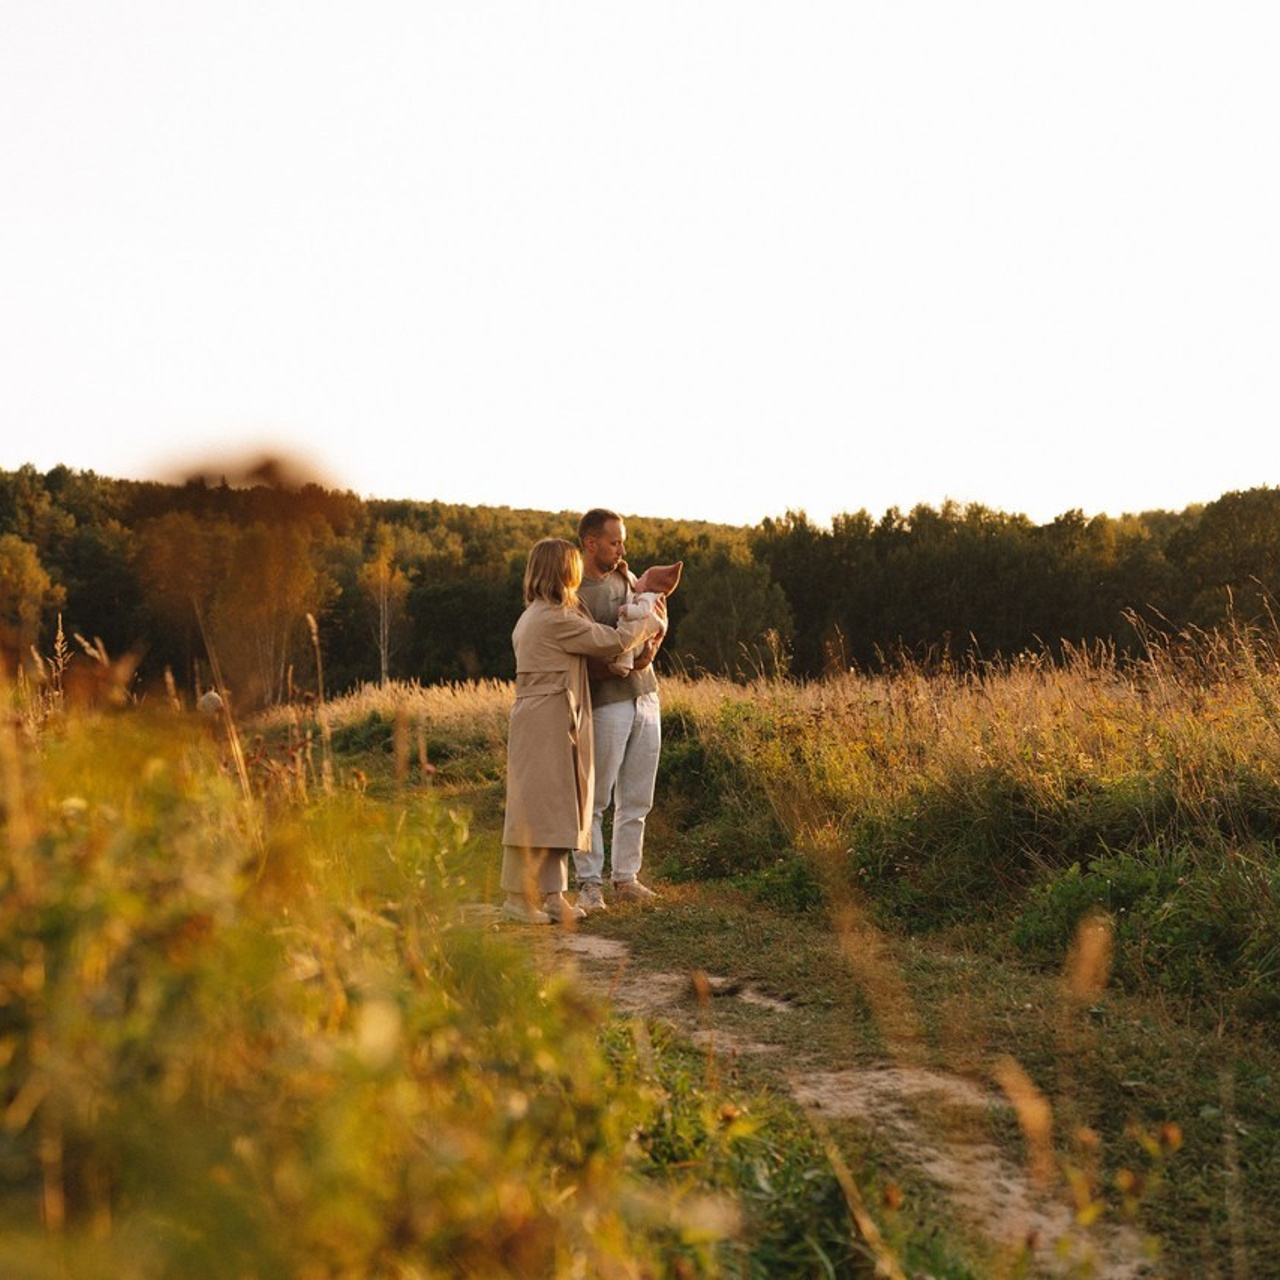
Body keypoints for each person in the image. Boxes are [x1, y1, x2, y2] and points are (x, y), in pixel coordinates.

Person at [501, 537, 666, 924]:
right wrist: (650, 620)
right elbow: (614, 640)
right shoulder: (555, 618)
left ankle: (553, 896)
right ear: (564, 571)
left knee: (555, 808)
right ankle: (519, 899)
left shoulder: (538, 613)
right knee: (537, 810)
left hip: (546, 713)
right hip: (548, 717)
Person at [572, 509, 673, 912]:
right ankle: (589, 884)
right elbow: (580, 655)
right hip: (605, 703)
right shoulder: (574, 590)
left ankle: (626, 877)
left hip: (646, 695)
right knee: (595, 799)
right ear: (590, 543)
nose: (622, 549)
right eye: (615, 542)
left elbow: (654, 623)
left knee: (637, 796)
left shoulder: (627, 577)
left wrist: (649, 653)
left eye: (623, 541)